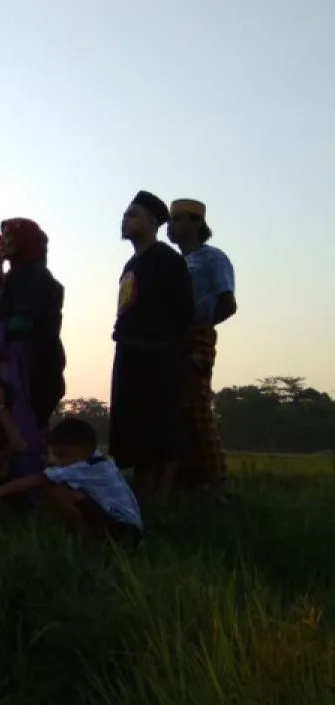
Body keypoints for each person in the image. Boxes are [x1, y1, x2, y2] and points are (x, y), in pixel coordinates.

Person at [110, 191, 195, 508]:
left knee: (161, 430)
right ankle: (141, 500)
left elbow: (183, 311)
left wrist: (174, 352)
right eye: (125, 214)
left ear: (151, 221)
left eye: (132, 214)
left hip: (158, 355)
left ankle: (159, 501)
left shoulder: (168, 261)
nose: (125, 219)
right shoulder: (131, 264)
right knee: (136, 433)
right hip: (129, 354)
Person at [0, 218, 65, 460]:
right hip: (10, 361)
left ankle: (28, 482)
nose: (4, 243)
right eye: (5, 237)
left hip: (29, 362)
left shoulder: (34, 276)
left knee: (25, 422)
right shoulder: (14, 277)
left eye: (11, 238)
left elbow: (23, 322)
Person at [0, 417, 143, 543]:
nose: (60, 462)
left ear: (85, 449)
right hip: (131, 529)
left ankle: (85, 539)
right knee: (63, 487)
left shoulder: (84, 467)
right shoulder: (100, 461)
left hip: (123, 532)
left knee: (54, 490)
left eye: (63, 455)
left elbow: (38, 479)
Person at [168, 198, 237, 498]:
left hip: (197, 334)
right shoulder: (172, 262)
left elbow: (227, 303)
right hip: (171, 339)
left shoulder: (212, 258)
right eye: (170, 220)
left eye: (177, 219)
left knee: (197, 406)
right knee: (176, 409)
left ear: (196, 223)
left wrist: (201, 328)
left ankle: (216, 480)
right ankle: (187, 480)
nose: (170, 226)